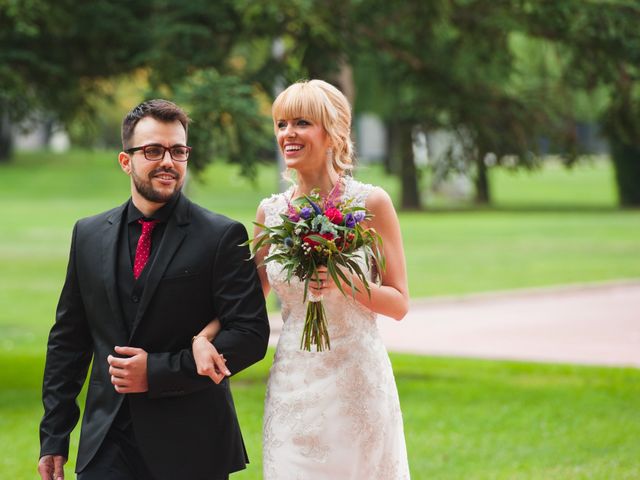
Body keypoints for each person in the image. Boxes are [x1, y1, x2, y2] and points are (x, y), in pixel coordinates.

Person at [38, 99, 270, 480]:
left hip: (192, 445)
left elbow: (249, 335)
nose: (168, 162)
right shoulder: (88, 234)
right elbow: (68, 340)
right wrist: (54, 436)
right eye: (153, 151)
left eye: (178, 151)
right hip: (106, 443)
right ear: (125, 161)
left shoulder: (222, 236)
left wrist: (159, 372)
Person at [193, 80, 411, 478]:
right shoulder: (270, 212)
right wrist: (203, 336)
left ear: (333, 133)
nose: (287, 134)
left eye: (302, 122)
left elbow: (399, 303)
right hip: (294, 383)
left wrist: (346, 282)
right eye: (281, 124)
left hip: (356, 384)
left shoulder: (371, 204)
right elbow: (247, 299)